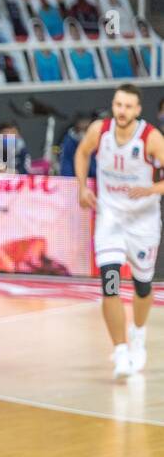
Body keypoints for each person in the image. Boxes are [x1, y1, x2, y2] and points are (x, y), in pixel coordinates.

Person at [75, 84, 164, 379]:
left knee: (142, 285)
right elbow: (82, 153)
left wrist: (151, 188)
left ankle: (138, 333)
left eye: (128, 106)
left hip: (143, 222)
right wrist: (81, 187)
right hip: (110, 220)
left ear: (138, 110)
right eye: (118, 105)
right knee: (110, 283)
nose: (122, 111)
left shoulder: (151, 138)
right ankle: (121, 349)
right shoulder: (99, 131)